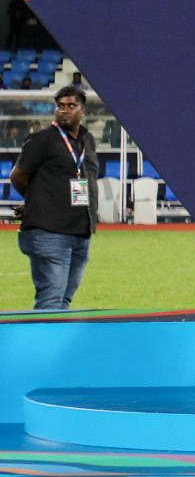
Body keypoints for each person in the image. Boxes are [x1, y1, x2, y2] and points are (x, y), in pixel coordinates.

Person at [13, 86, 97, 310]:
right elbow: (18, 176)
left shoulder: (87, 140)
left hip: (80, 232)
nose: (65, 111)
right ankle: (42, 345)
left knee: (63, 301)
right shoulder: (41, 140)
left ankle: (51, 343)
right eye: (60, 106)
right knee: (51, 301)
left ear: (83, 111)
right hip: (48, 232)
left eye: (71, 106)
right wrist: (34, 201)